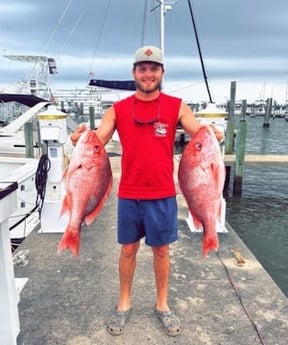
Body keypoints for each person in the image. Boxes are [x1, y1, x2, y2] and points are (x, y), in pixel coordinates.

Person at [71, 45, 223, 337]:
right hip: (129, 192)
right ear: (134, 73)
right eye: (142, 68)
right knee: (128, 249)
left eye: (154, 69)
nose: (148, 74)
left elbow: (199, 133)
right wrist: (79, 136)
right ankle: (124, 303)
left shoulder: (177, 106)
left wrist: (212, 131)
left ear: (162, 72)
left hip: (163, 192)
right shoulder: (118, 109)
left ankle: (162, 305)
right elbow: (97, 140)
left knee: (161, 251)